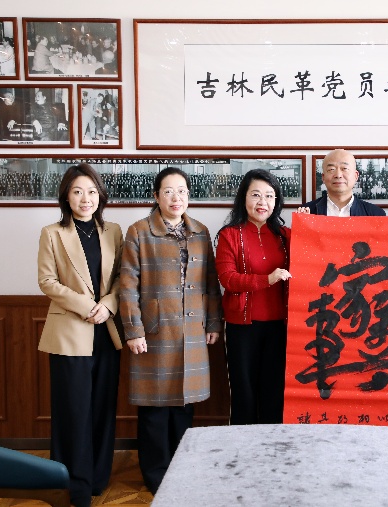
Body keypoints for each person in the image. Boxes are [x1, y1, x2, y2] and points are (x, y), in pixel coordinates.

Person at [119, 167, 222, 495]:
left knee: (184, 406)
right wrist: (134, 330)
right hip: (155, 331)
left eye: (182, 191)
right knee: (154, 408)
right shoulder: (139, 232)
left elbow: (210, 283)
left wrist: (214, 323)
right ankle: (156, 476)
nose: (176, 198)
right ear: (156, 196)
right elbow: (127, 286)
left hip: (192, 330)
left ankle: (181, 471)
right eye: (168, 191)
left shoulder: (200, 232)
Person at [37, 163, 124, 507]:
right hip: (69, 333)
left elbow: (123, 277)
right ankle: (74, 483)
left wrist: (109, 305)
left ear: (100, 195)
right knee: (72, 411)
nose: (85, 198)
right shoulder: (52, 233)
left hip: (107, 332)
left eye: (91, 191)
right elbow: (47, 281)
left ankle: (98, 479)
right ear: (66, 197)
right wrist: (88, 306)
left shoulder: (114, 231)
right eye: (77, 192)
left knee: (102, 408)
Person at [215, 169, 292, 425]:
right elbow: (228, 279)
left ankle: (272, 446)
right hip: (242, 328)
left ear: (276, 201)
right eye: (256, 195)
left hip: (280, 327)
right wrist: (266, 279)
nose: (263, 202)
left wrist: (307, 222)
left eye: (269, 196)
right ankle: (242, 447)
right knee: (244, 394)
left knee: (274, 393)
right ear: (244, 198)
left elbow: (312, 257)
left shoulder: (286, 236)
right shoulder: (229, 235)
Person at [298, 149, 386, 216]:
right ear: (323, 177)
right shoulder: (307, 212)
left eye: (345, 169)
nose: (338, 175)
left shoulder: (375, 214)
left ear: (356, 176)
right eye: (331, 169)